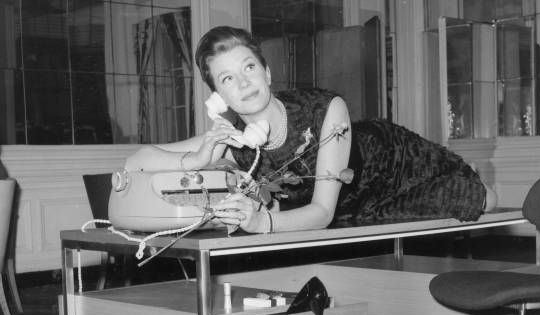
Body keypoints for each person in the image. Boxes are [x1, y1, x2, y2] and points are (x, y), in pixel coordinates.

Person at [125, 26, 496, 234]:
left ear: (267, 72)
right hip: (354, 210)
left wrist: (262, 221)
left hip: (395, 164)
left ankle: (471, 174)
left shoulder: (325, 109)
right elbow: (137, 161)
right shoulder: (232, 140)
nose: (243, 83)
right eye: (227, 78)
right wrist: (199, 158)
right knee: (370, 231)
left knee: (474, 197)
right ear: (218, 95)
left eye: (249, 68)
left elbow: (320, 211)